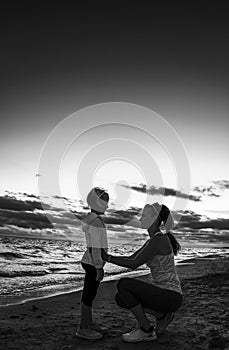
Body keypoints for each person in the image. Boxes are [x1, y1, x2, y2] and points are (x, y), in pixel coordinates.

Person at [102, 202, 183, 343]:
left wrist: (107, 258)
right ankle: (162, 316)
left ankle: (146, 330)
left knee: (123, 285)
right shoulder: (153, 240)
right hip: (165, 294)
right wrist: (108, 256)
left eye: (144, 216)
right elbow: (131, 258)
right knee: (121, 298)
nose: (140, 219)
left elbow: (133, 264)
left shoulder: (159, 239)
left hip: (170, 295)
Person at [76, 187, 109, 340]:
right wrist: (99, 267)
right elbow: (95, 247)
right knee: (89, 295)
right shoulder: (96, 222)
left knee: (89, 293)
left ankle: (88, 323)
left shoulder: (93, 220)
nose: (107, 206)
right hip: (92, 263)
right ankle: (83, 327)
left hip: (88, 261)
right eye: (104, 203)